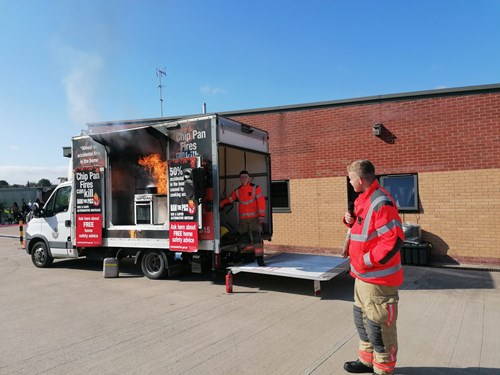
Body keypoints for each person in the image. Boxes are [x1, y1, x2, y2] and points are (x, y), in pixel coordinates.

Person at [342, 160, 404, 375]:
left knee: (379, 326)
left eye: (350, 179)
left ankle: (384, 369)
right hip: (362, 277)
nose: (350, 183)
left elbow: (394, 240)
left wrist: (366, 261)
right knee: (363, 320)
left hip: (377, 279)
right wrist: (348, 220)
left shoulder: (380, 202)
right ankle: (367, 361)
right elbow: (363, 229)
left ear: (359, 179)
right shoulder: (364, 199)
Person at [220, 170, 266, 266]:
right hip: (243, 221)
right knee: (244, 241)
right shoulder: (238, 191)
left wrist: (261, 216)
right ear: (240, 179)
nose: (244, 178)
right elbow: (230, 199)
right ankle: (247, 258)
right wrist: (221, 203)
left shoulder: (255, 188)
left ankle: (260, 260)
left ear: (249, 178)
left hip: (254, 219)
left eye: (245, 177)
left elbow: (261, 202)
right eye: (242, 177)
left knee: (256, 239)